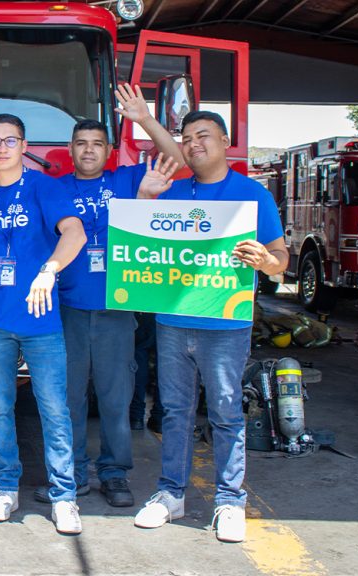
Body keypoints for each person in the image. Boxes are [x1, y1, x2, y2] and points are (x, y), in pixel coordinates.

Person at [132, 111, 288, 543]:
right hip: (172, 321)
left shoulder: (251, 193)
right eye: (186, 138)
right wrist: (145, 200)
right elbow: (140, 245)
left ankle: (229, 501)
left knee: (225, 411)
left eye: (204, 135)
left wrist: (267, 262)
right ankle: (170, 495)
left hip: (225, 322)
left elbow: (280, 259)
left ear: (224, 140)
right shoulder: (172, 192)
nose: (194, 143)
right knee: (174, 412)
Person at [40, 83, 184, 509]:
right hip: (65, 308)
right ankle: (71, 473)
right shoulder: (55, 188)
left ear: (108, 150)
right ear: (71, 149)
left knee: (115, 396)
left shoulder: (128, 178)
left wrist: (143, 118)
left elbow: (174, 160)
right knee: (66, 397)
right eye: (81, 144)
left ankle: (115, 472)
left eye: (97, 144)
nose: (88, 150)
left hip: (116, 308)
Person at [0, 113, 87, 535]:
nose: (2, 147)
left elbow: (74, 233)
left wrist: (49, 269)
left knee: (54, 410)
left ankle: (64, 497)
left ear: (23, 145)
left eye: (10, 140)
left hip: (40, 321)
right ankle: (5, 488)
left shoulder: (43, 187)